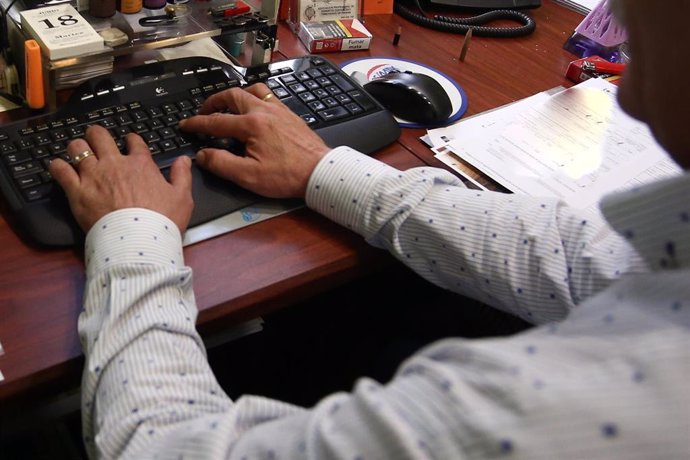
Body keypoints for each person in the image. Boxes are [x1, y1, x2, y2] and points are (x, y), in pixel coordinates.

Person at [49, 0, 689, 458]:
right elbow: (576, 260)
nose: (615, 23)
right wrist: (320, 168)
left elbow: (159, 445)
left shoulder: (576, 405)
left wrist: (130, 231)